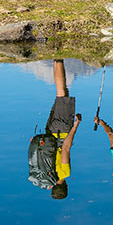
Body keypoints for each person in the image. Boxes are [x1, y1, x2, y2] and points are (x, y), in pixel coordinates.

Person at [45, 59, 81, 199]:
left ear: (66, 186)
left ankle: (58, 58)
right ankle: (56, 60)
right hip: (50, 130)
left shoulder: (64, 173)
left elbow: (65, 148)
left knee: (61, 93)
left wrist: (75, 126)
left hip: (62, 130)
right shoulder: (48, 173)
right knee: (63, 93)